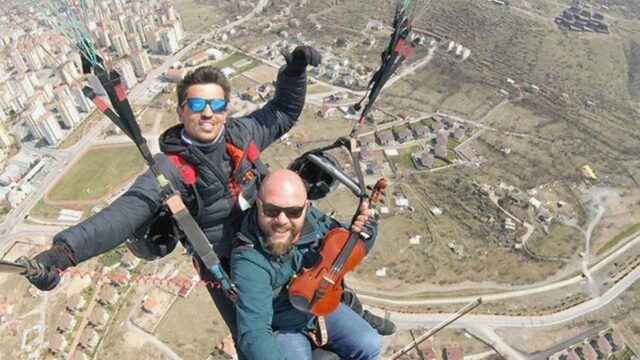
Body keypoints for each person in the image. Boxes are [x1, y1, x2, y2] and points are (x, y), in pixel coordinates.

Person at [18, 46, 321, 356]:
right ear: (181, 111)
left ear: (225, 110)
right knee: (252, 343)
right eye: (197, 104)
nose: (207, 112)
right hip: (227, 264)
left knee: (320, 290)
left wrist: (293, 75)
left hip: (268, 236)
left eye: (216, 104)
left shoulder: (241, 134)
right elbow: (126, 213)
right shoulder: (171, 169)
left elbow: (282, 112)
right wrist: (64, 253)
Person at [231, 169, 384, 360]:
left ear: (306, 207)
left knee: (371, 344)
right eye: (271, 210)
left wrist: (365, 235)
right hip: (283, 325)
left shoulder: (312, 220)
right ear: (258, 205)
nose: (282, 220)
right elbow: (254, 333)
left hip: (319, 307)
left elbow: (345, 251)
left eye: (293, 212)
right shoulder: (249, 259)